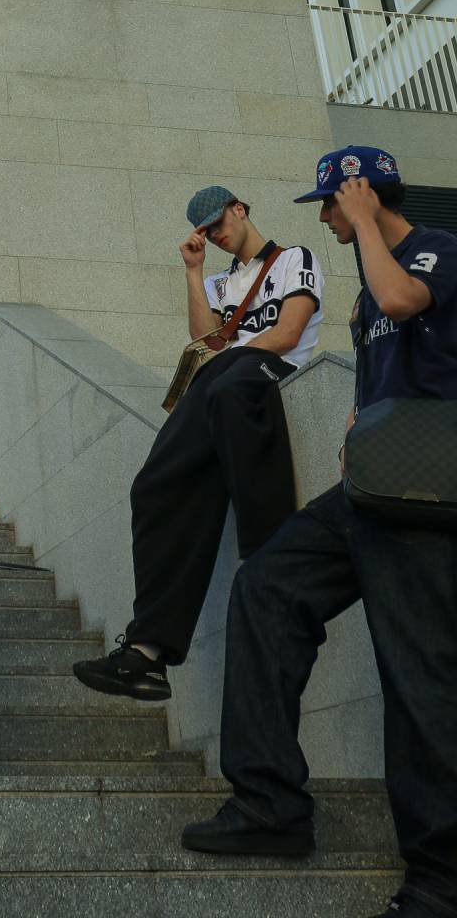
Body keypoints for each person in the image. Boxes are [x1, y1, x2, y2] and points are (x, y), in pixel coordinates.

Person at [182, 146, 457, 918]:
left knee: (418, 675)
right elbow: (383, 350)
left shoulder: (433, 252)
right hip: (373, 480)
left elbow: (404, 300)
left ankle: (440, 881)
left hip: (430, 488)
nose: (326, 217)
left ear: (362, 193)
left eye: (331, 203)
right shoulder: (370, 284)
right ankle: (270, 804)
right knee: (265, 588)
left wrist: (370, 222)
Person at [74, 183, 323, 702]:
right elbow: (205, 345)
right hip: (225, 389)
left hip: (265, 375)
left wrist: (233, 354)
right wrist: (192, 271)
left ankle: (273, 566)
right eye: (208, 230)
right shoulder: (218, 282)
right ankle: (147, 653)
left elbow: (288, 333)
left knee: (229, 377)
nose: (217, 234)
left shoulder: (293, 258)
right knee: (154, 487)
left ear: (241, 208)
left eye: (221, 222)